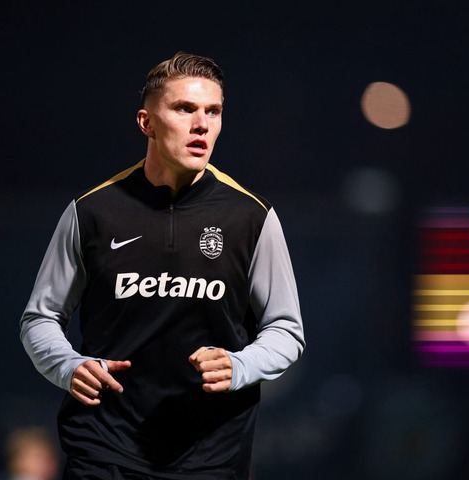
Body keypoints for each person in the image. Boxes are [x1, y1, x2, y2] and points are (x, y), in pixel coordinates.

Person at [19, 51, 305, 480]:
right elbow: (40, 317)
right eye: (184, 109)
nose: (201, 125)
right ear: (146, 122)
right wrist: (68, 365)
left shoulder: (252, 217)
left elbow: (286, 329)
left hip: (211, 455)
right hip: (104, 446)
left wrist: (240, 365)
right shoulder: (92, 211)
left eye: (213, 111)